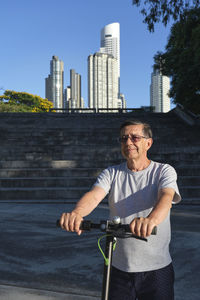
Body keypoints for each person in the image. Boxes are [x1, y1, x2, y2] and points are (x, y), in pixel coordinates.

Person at [59, 119, 181, 300]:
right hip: (119, 268)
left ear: (148, 143)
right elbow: (94, 195)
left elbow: (166, 197)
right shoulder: (111, 172)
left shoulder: (163, 171)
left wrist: (151, 221)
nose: (128, 142)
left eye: (135, 138)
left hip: (157, 268)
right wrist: (77, 213)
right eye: (124, 139)